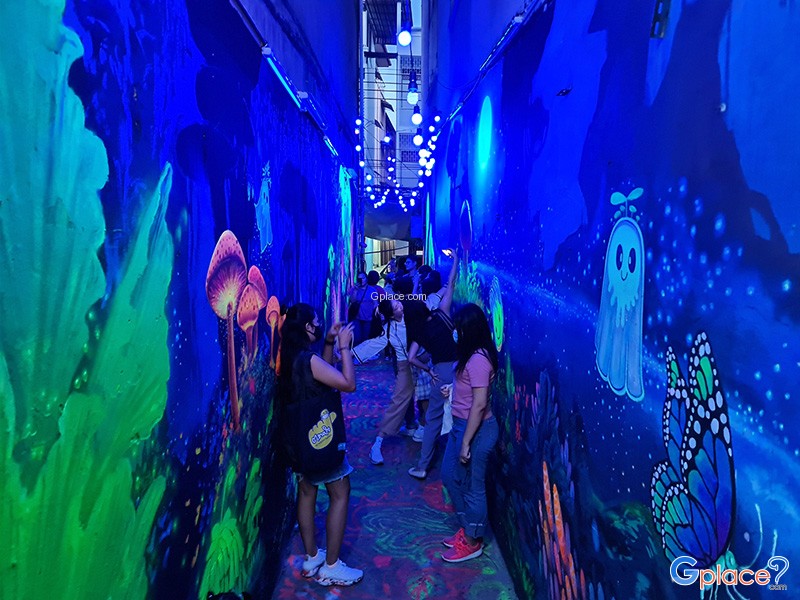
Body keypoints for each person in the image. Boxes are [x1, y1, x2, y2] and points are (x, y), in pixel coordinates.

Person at [276, 304, 363, 586]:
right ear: (307, 327)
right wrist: (344, 347)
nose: (319, 324)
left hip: (298, 442)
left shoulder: (290, 359)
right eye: (316, 322)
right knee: (340, 492)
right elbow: (347, 384)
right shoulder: (308, 360)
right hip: (321, 440)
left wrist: (327, 342)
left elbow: (319, 377)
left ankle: (312, 557)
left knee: (306, 491)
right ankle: (331, 567)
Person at [439, 303, 499, 563]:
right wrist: (452, 391)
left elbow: (479, 404)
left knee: (473, 486)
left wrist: (466, 443)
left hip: (475, 430)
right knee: (450, 475)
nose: (455, 332)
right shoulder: (471, 355)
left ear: (470, 330)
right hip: (461, 425)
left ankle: (473, 540)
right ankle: (468, 528)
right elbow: (469, 391)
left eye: (459, 329)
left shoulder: (478, 360)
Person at [351, 298, 429, 465]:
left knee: (427, 397)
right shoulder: (388, 330)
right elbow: (371, 345)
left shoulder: (412, 314)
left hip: (423, 362)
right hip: (405, 366)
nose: (401, 305)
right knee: (398, 401)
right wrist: (348, 353)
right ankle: (378, 442)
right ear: (392, 315)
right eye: (396, 306)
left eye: (398, 302)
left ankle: (422, 427)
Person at [407, 250, 459, 479]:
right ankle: (461, 465)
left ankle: (422, 467)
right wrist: (455, 260)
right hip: (462, 369)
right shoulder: (443, 313)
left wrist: (428, 369)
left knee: (433, 420)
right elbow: (451, 283)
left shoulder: (419, 332)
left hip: (441, 372)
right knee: (463, 416)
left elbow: (411, 358)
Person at [347, 272, 377, 345]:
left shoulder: (372, 290)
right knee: (357, 338)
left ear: (366, 279)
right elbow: (352, 301)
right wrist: (355, 290)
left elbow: (375, 303)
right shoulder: (354, 289)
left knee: (365, 338)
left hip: (368, 318)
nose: (361, 280)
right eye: (359, 278)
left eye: (363, 278)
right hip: (356, 317)